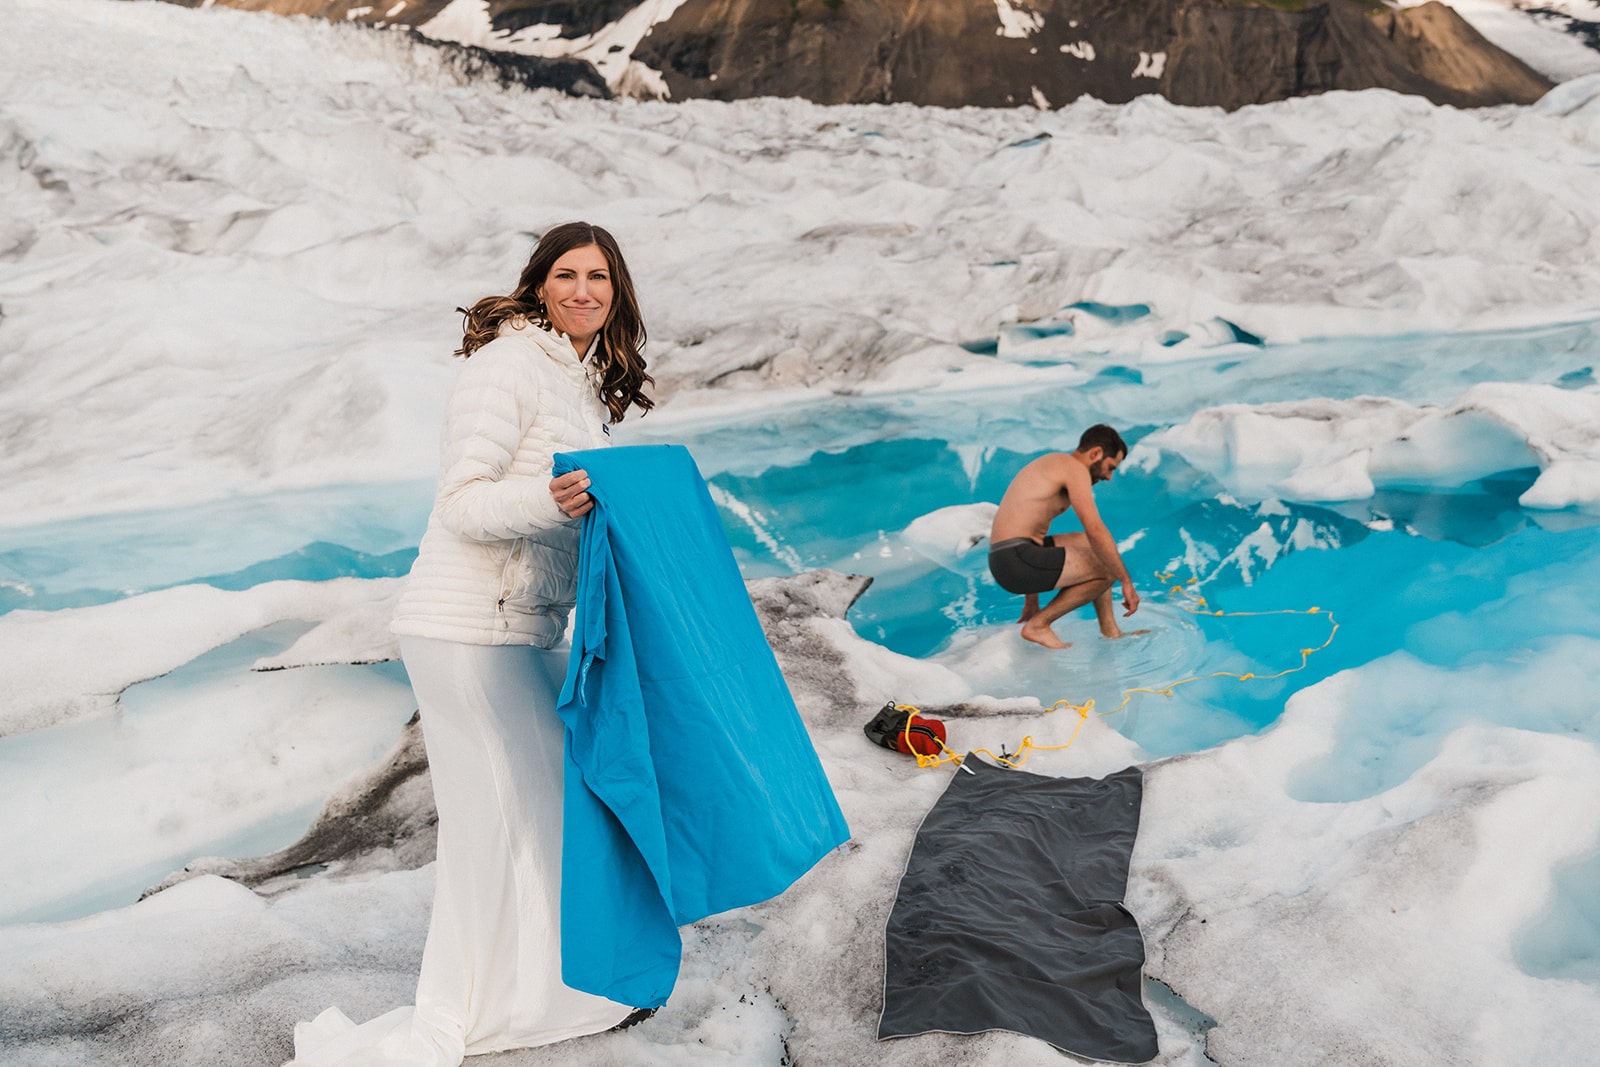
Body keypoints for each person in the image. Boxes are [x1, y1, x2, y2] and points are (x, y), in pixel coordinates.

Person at [287, 221, 654, 1066]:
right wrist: (550, 502)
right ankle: (456, 1016)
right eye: (566, 274)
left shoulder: (580, 376)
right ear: (538, 283)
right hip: (464, 626)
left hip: (521, 626)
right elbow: (462, 502)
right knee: (490, 829)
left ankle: (549, 995)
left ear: (618, 290)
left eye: (599, 277)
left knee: (548, 813)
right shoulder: (508, 366)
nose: (583, 291)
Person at [987, 425, 1144, 649]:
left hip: (1009, 558)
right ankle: (1039, 626)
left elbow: (1034, 534)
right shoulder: (1073, 468)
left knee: (1085, 542)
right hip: (1013, 560)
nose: (1108, 477)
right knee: (1107, 566)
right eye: (1110, 468)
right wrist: (1126, 582)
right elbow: (1095, 528)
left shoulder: (1056, 464)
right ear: (1096, 453)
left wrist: (1032, 602)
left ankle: (1111, 631)